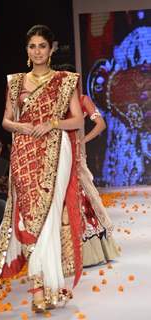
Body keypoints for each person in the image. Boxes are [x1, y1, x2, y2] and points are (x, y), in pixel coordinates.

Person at [0, 24, 85, 313]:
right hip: (25, 151)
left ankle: (43, 289)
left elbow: (77, 121)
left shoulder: (65, 81)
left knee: (50, 217)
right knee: (30, 217)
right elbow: (6, 120)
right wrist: (21, 126)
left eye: (42, 46)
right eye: (32, 46)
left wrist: (51, 123)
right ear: (27, 51)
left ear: (51, 49)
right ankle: (43, 285)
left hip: (55, 149)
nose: (37, 51)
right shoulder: (15, 82)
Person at [55, 64, 119, 267]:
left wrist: (83, 141)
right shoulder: (57, 102)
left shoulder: (82, 100)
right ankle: (64, 252)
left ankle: (86, 252)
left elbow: (101, 124)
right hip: (57, 154)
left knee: (81, 196)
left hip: (73, 155)